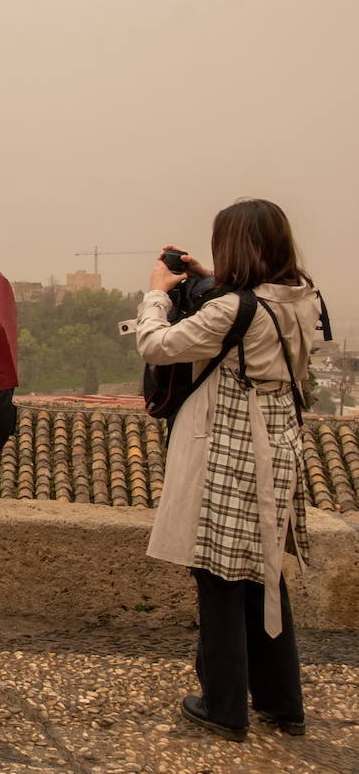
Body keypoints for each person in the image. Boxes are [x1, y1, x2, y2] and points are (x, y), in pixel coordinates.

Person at [136, 199, 322, 742]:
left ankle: (223, 706)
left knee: (217, 574)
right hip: (279, 442)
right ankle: (282, 701)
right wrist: (209, 278)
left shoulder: (233, 310)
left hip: (229, 447)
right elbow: (256, 307)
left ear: (234, 246)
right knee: (263, 570)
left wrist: (157, 293)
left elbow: (156, 345)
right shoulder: (305, 297)